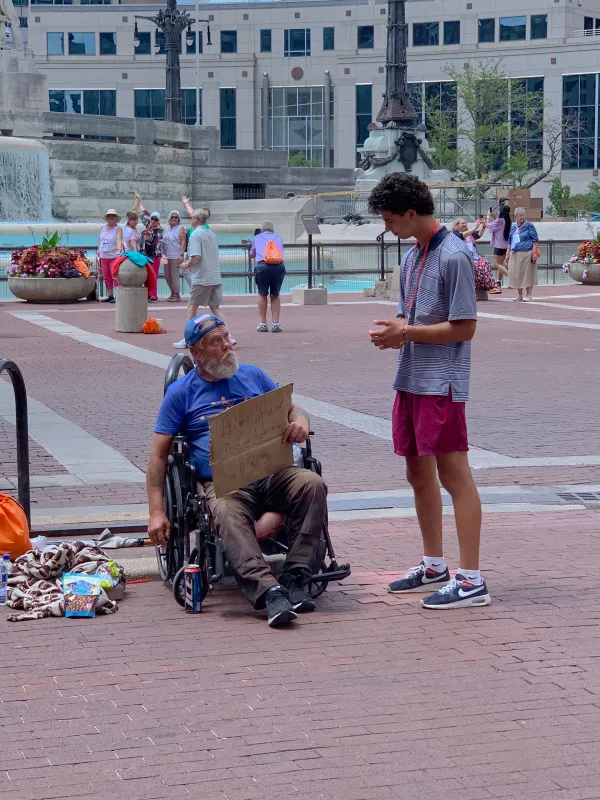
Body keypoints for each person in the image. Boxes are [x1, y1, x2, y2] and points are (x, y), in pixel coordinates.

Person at [147, 314, 326, 627]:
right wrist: (156, 512)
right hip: (225, 482)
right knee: (226, 511)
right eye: (216, 342)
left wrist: (300, 422)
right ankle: (268, 591)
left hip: (272, 472)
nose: (227, 346)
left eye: (227, 338)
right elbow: (158, 457)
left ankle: (298, 576)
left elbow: (293, 407)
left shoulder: (252, 376)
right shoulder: (181, 394)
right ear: (196, 353)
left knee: (311, 483)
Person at [367, 173, 490, 610]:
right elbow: (410, 321)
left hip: (443, 382)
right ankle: (434, 564)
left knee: (455, 476)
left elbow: (466, 328)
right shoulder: (411, 257)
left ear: (411, 212)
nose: (387, 227)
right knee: (417, 473)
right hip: (412, 378)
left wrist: (407, 332)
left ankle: (471, 579)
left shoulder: (455, 255)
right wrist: (397, 332)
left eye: (390, 219)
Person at [172, 208, 236, 349]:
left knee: (191, 307)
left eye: (191, 218)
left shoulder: (196, 235)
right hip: (215, 276)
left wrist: (186, 264)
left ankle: (188, 338)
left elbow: (196, 257)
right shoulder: (211, 234)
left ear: (195, 219)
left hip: (202, 277)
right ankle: (228, 336)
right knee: (215, 308)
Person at [250, 221, 286, 333]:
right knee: (275, 295)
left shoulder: (257, 238)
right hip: (278, 266)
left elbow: (252, 254)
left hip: (263, 267)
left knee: (262, 294)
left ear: (261, 230)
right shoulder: (279, 237)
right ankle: (276, 324)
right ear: (272, 230)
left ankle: (263, 324)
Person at [451, 219, 499, 294]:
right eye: (462, 223)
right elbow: (462, 235)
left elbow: (479, 234)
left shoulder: (470, 235)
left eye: (465, 223)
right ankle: (474, 289)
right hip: (465, 257)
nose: (464, 224)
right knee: (476, 266)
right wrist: (475, 227)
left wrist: (483, 226)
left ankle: (491, 287)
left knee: (485, 263)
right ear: (457, 225)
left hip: (475, 257)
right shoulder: (455, 234)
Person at [133, 192, 164, 302]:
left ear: (158, 220)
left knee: (153, 275)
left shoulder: (159, 231)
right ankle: (147, 293)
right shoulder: (148, 225)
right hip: (145, 255)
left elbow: (159, 245)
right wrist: (139, 200)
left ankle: (154, 295)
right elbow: (144, 213)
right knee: (146, 275)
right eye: (152, 218)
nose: (153, 220)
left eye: (156, 219)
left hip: (154, 256)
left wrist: (162, 256)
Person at [506, 207, 539, 302]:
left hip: (526, 253)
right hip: (515, 253)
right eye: (520, 215)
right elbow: (509, 241)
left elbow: (535, 240)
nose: (522, 217)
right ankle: (519, 295)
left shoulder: (529, 226)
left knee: (527, 274)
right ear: (516, 217)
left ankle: (529, 294)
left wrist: (534, 253)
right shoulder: (513, 227)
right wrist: (507, 254)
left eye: (523, 215)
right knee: (517, 274)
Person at [97, 209, 123, 304]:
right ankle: (110, 295)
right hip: (104, 255)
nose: (111, 217)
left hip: (113, 255)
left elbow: (119, 240)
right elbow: (100, 239)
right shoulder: (103, 227)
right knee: (106, 276)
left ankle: (119, 296)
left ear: (116, 218)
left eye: (113, 216)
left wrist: (119, 249)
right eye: (109, 216)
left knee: (115, 275)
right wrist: (98, 249)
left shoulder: (118, 229)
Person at [163, 210, 186, 303]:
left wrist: (181, 255)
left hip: (176, 255)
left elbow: (183, 242)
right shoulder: (168, 228)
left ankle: (176, 294)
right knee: (167, 276)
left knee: (174, 276)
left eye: (176, 217)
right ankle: (172, 292)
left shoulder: (180, 228)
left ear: (179, 219)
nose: (174, 219)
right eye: (172, 217)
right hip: (167, 256)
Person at [486, 205, 511, 285]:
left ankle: (511, 277)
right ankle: (498, 281)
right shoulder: (508, 220)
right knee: (501, 264)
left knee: (497, 264)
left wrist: (488, 216)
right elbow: (497, 222)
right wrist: (493, 215)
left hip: (499, 246)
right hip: (506, 246)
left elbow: (488, 226)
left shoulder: (499, 221)